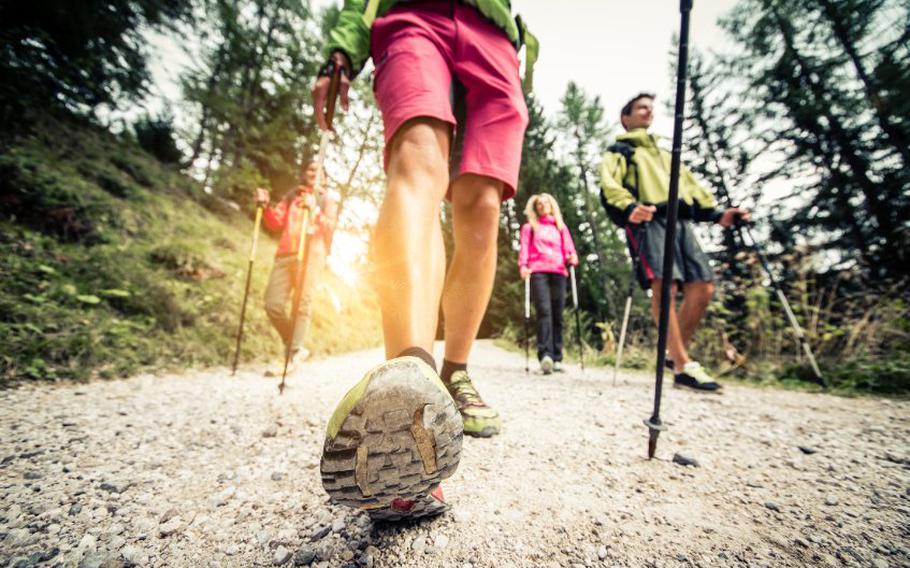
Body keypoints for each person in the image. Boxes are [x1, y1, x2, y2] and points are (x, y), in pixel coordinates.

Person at [312, 0, 535, 521]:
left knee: (481, 204)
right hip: (411, 13)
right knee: (417, 158)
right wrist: (340, 48)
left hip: (495, 37)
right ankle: (412, 375)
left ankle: (455, 372)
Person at [599, 92, 750, 392]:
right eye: (641, 107)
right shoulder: (621, 150)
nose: (648, 112)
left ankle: (672, 354)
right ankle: (683, 364)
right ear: (625, 117)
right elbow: (609, 184)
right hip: (648, 220)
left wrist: (717, 213)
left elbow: (692, 187)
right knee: (664, 286)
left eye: (651, 109)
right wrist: (629, 208)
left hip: (680, 221)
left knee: (703, 286)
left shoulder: (668, 155)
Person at [255, 160, 338, 376]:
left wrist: (315, 211)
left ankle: (292, 354)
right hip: (285, 253)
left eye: (319, 170)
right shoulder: (293, 195)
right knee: (272, 303)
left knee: (302, 303)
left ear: (326, 178)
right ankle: (296, 348)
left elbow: (330, 226)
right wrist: (264, 208)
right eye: (310, 169)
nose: (313, 172)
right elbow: (275, 223)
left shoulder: (327, 199)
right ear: (304, 173)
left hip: (312, 253)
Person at [518, 193, 578, 374]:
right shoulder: (530, 227)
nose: (542, 206)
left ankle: (557, 357)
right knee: (544, 311)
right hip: (538, 272)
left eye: (545, 203)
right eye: (539, 204)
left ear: (552, 206)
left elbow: (569, 248)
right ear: (535, 208)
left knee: (557, 313)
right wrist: (523, 266)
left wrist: (572, 256)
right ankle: (546, 355)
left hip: (559, 271)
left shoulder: (560, 227)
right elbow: (524, 248)